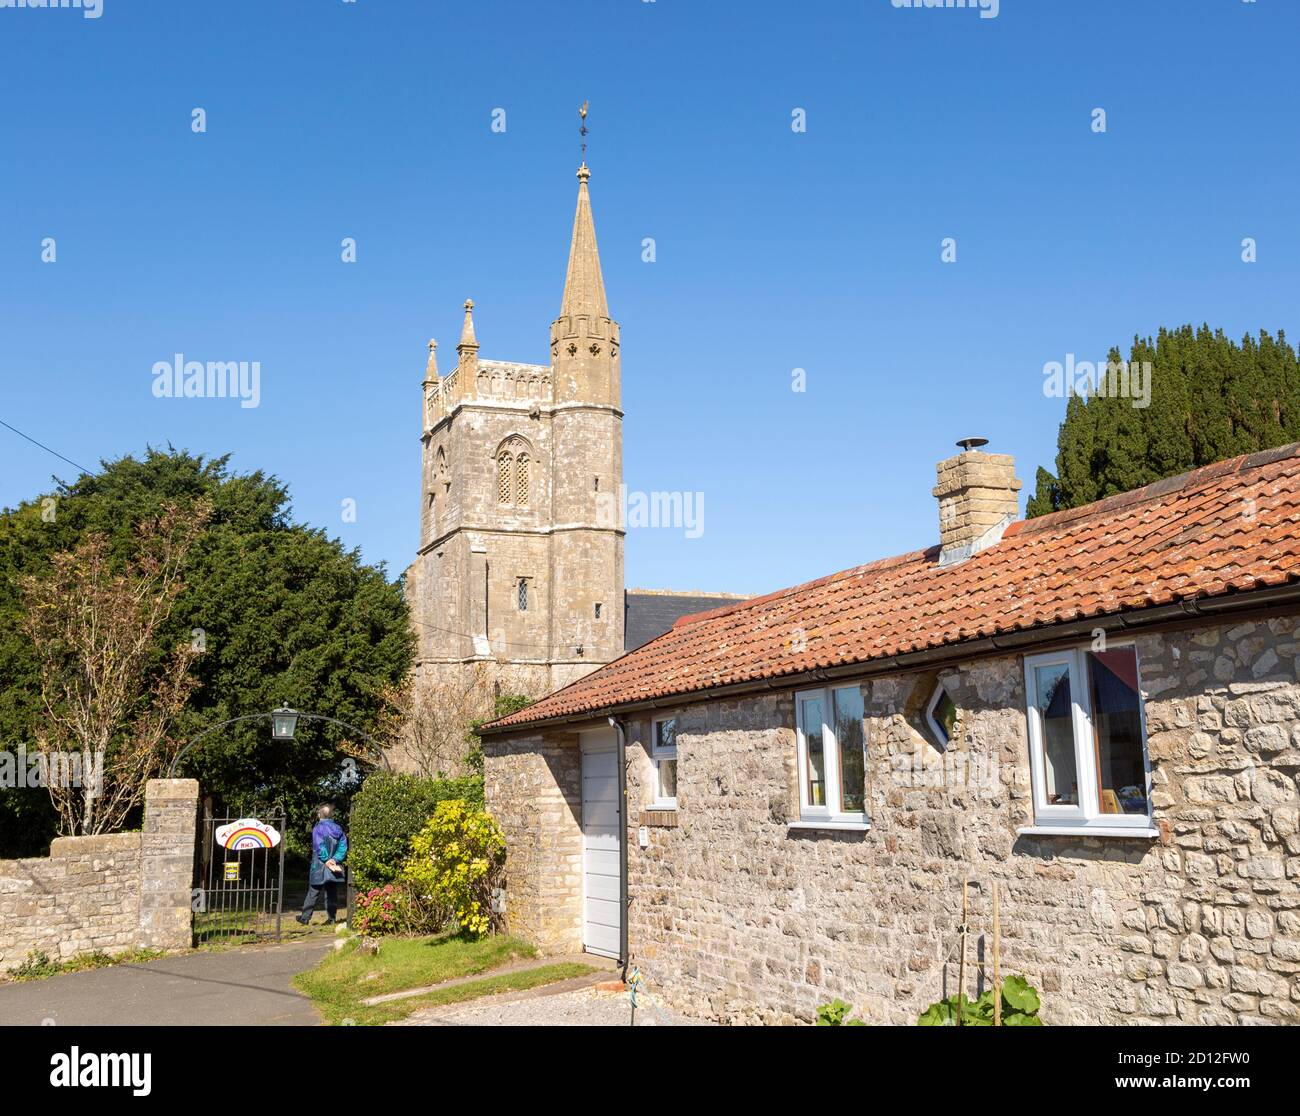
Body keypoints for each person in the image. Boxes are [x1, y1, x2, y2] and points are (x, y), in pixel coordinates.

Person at [297, 804, 348, 925]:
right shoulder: (339, 829)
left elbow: (319, 846)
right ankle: (332, 919)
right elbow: (343, 847)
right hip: (334, 866)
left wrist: (326, 860)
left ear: (320, 814)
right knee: (331, 893)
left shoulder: (317, 829)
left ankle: (305, 918)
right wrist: (335, 859)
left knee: (313, 891)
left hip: (319, 865)